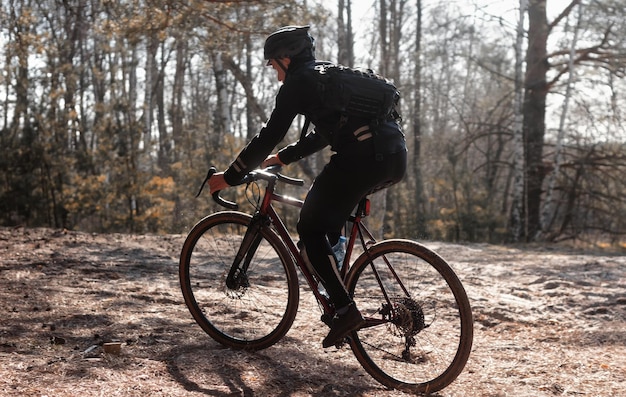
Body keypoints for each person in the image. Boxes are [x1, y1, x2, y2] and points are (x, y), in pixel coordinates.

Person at [209, 25, 407, 348]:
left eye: (274, 66)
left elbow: (269, 132)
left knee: (310, 226)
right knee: (328, 222)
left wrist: (230, 176)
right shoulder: (325, 79)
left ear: (286, 57)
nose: (276, 76)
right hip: (393, 155)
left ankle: (345, 311)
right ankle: (338, 293)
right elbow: (324, 134)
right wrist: (282, 158)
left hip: (362, 157)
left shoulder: (299, 83)